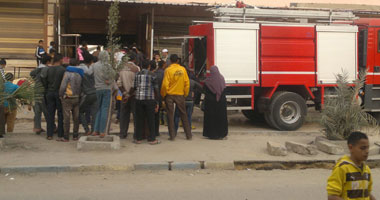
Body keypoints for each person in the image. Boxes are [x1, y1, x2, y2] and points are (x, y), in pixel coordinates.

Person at [327, 131, 376, 200]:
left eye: (367, 148)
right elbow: (332, 196)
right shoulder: (342, 168)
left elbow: (367, 193)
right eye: (363, 148)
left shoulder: (366, 170)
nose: (367, 151)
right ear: (351, 148)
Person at [161, 54, 192, 141]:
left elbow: (165, 84)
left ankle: (172, 136)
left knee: (170, 116)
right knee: (184, 115)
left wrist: (163, 95)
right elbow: (187, 83)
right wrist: (185, 94)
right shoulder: (183, 69)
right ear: (177, 61)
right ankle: (188, 135)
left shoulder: (168, 70)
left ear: (170, 60)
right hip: (180, 94)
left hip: (170, 95)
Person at [130, 59, 160, 144]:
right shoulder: (153, 75)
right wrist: (157, 102)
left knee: (139, 119)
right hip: (150, 100)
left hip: (139, 99)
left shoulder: (137, 74)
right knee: (151, 119)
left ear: (141, 66)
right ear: (149, 66)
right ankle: (152, 139)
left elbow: (134, 87)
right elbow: (156, 89)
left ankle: (138, 138)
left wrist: (128, 95)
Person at [41, 53, 66, 140]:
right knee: (60, 114)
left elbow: (43, 79)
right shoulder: (63, 70)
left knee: (50, 114)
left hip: (49, 93)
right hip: (59, 93)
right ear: (60, 60)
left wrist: (47, 88)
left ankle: (49, 134)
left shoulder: (48, 69)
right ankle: (60, 134)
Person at [59, 59, 83, 141]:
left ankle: (66, 137)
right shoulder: (80, 73)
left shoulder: (67, 73)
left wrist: (61, 95)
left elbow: (63, 86)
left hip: (68, 97)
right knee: (76, 117)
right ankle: (75, 135)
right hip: (77, 97)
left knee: (67, 118)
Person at [203, 66, 228, 140]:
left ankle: (211, 134)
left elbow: (204, 91)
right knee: (221, 118)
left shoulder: (207, 81)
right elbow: (224, 89)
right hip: (221, 102)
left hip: (210, 103)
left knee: (211, 119)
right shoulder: (222, 79)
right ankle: (221, 134)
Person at [92, 51, 113, 138]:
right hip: (106, 88)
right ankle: (102, 131)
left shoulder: (95, 65)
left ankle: (95, 130)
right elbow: (110, 78)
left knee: (99, 109)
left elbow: (89, 73)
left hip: (97, 88)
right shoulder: (108, 66)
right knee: (104, 109)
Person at [118, 55, 140, 139]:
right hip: (133, 95)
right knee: (135, 115)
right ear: (134, 59)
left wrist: (125, 93)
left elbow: (119, 83)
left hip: (124, 95)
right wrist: (129, 94)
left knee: (124, 115)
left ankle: (123, 133)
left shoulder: (121, 68)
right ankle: (136, 134)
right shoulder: (136, 68)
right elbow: (135, 84)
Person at [30, 55, 51, 134]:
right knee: (46, 110)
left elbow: (31, 74)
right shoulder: (46, 69)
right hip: (43, 91)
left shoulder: (37, 69)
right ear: (48, 62)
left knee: (37, 111)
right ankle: (51, 126)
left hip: (36, 90)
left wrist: (36, 80)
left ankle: (37, 127)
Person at [79, 54, 97, 136]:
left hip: (86, 94)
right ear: (91, 61)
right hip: (95, 93)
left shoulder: (79, 70)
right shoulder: (95, 70)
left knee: (80, 111)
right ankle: (94, 130)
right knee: (94, 114)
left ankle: (87, 129)